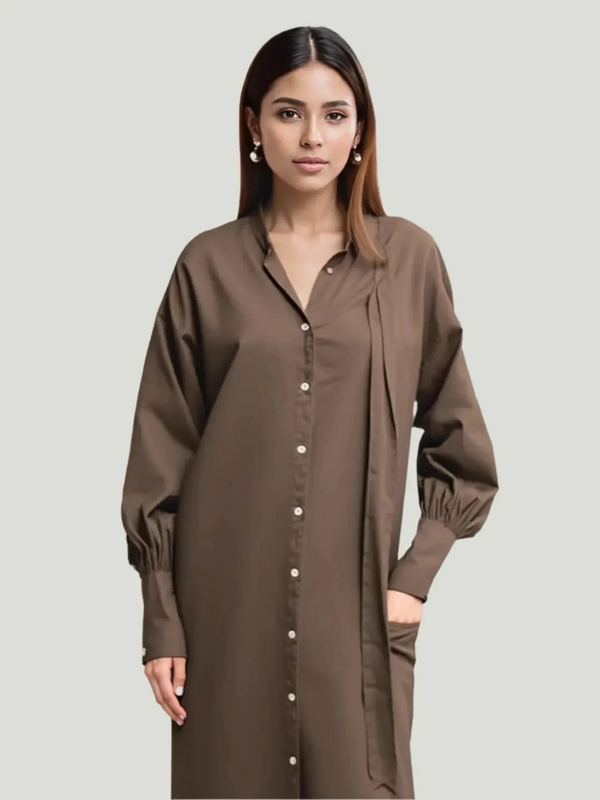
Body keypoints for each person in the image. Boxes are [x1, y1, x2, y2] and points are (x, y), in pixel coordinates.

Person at [120, 24, 499, 800]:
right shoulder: (206, 266)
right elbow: (160, 456)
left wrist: (412, 579)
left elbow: (462, 447)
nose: (312, 137)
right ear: (254, 125)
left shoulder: (408, 262)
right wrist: (162, 617)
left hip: (356, 628)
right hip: (226, 624)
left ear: (361, 130)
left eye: (334, 114)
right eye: (289, 112)